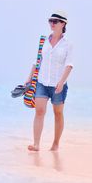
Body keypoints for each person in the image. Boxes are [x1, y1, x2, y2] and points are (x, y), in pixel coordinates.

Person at [25, 10, 74, 151]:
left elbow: (69, 65)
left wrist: (61, 82)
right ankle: (36, 144)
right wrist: (28, 79)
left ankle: (56, 144)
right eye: (50, 21)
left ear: (63, 24)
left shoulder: (68, 44)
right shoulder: (43, 41)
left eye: (55, 21)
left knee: (58, 113)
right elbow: (37, 61)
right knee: (39, 111)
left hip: (58, 84)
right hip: (41, 82)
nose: (51, 23)